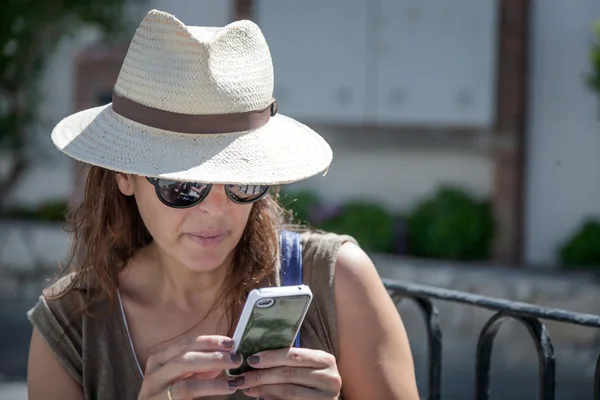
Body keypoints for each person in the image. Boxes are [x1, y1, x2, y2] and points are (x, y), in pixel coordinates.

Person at [26, 9, 419, 400]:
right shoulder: (70, 323)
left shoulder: (338, 280)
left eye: (242, 181)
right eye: (183, 185)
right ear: (124, 176)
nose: (216, 210)